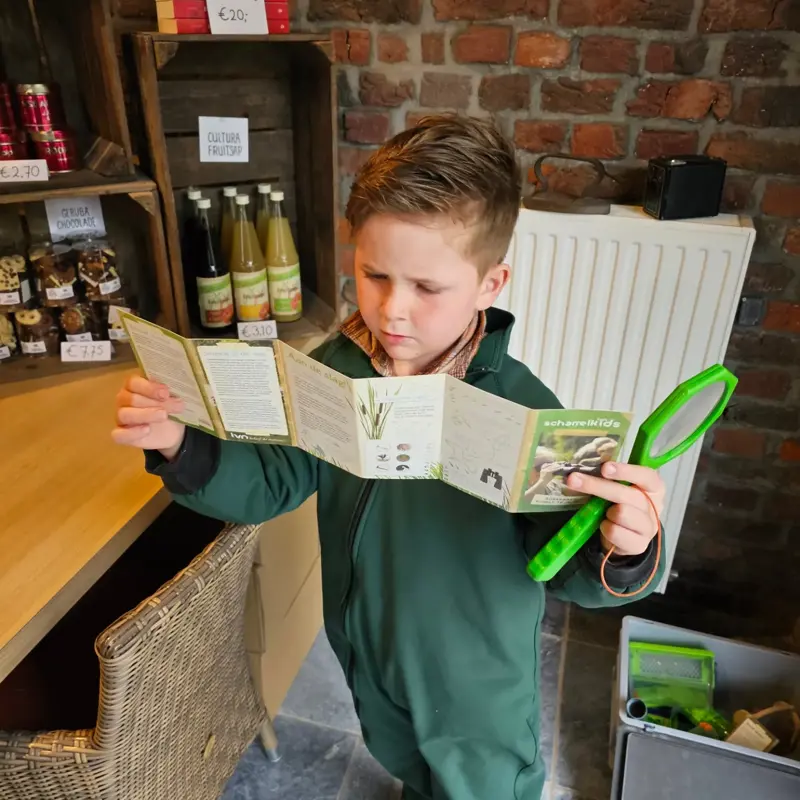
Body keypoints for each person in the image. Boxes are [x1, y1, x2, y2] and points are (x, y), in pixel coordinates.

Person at [113, 115, 666, 800]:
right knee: (406, 759)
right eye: (373, 274)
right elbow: (273, 480)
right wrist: (182, 445)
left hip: (474, 682)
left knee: (480, 787)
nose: (392, 310)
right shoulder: (337, 368)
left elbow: (576, 572)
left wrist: (628, 546)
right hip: (366, 646)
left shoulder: (527, 411)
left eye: (427, 288)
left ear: (491, 284)